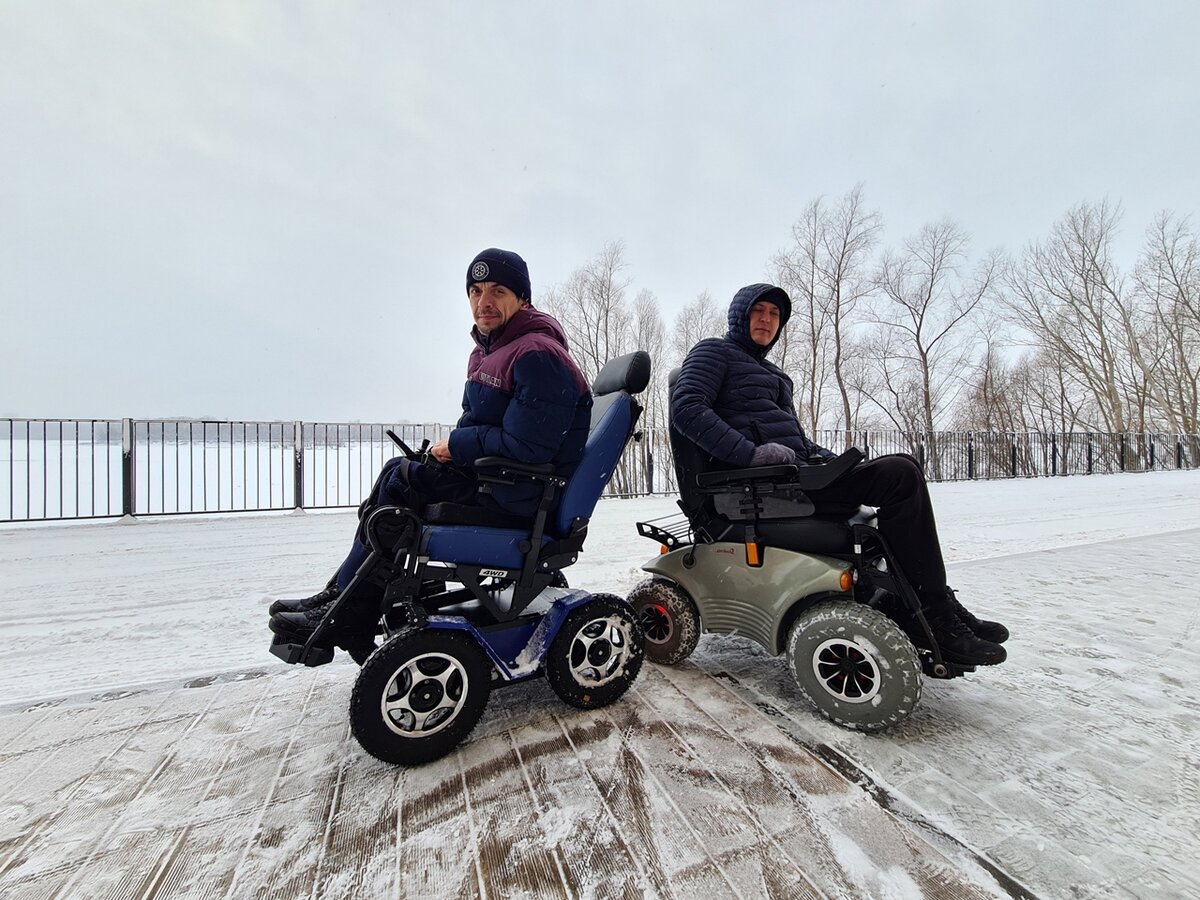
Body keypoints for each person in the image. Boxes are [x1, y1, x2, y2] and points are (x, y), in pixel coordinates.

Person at [269, 248, 592, 651]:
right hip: (493, 478)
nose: (483, 302)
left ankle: (350, 610)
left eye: (497, 290)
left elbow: (529, 446)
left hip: (517, 494)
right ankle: (339, 593)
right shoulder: (490, 351)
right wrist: (447, 453)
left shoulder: (537, 355)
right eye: (474, 291)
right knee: (396, 471)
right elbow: (481, 425)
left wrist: (456, 446)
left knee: (401, 486)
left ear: (522, 298)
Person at [670, 282, 1009, 666]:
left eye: (775, 314)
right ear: (739, 316)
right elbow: (687, 409)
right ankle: (935, 616)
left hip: (793, 478)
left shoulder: (775, 375)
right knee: (900, 474)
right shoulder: (714, 352)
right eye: (758, 311)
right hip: (757, 489)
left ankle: (935, 603)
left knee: (901, 467)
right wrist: (751, 455)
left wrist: (837, 463)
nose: (767, 320)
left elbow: (797, 442)